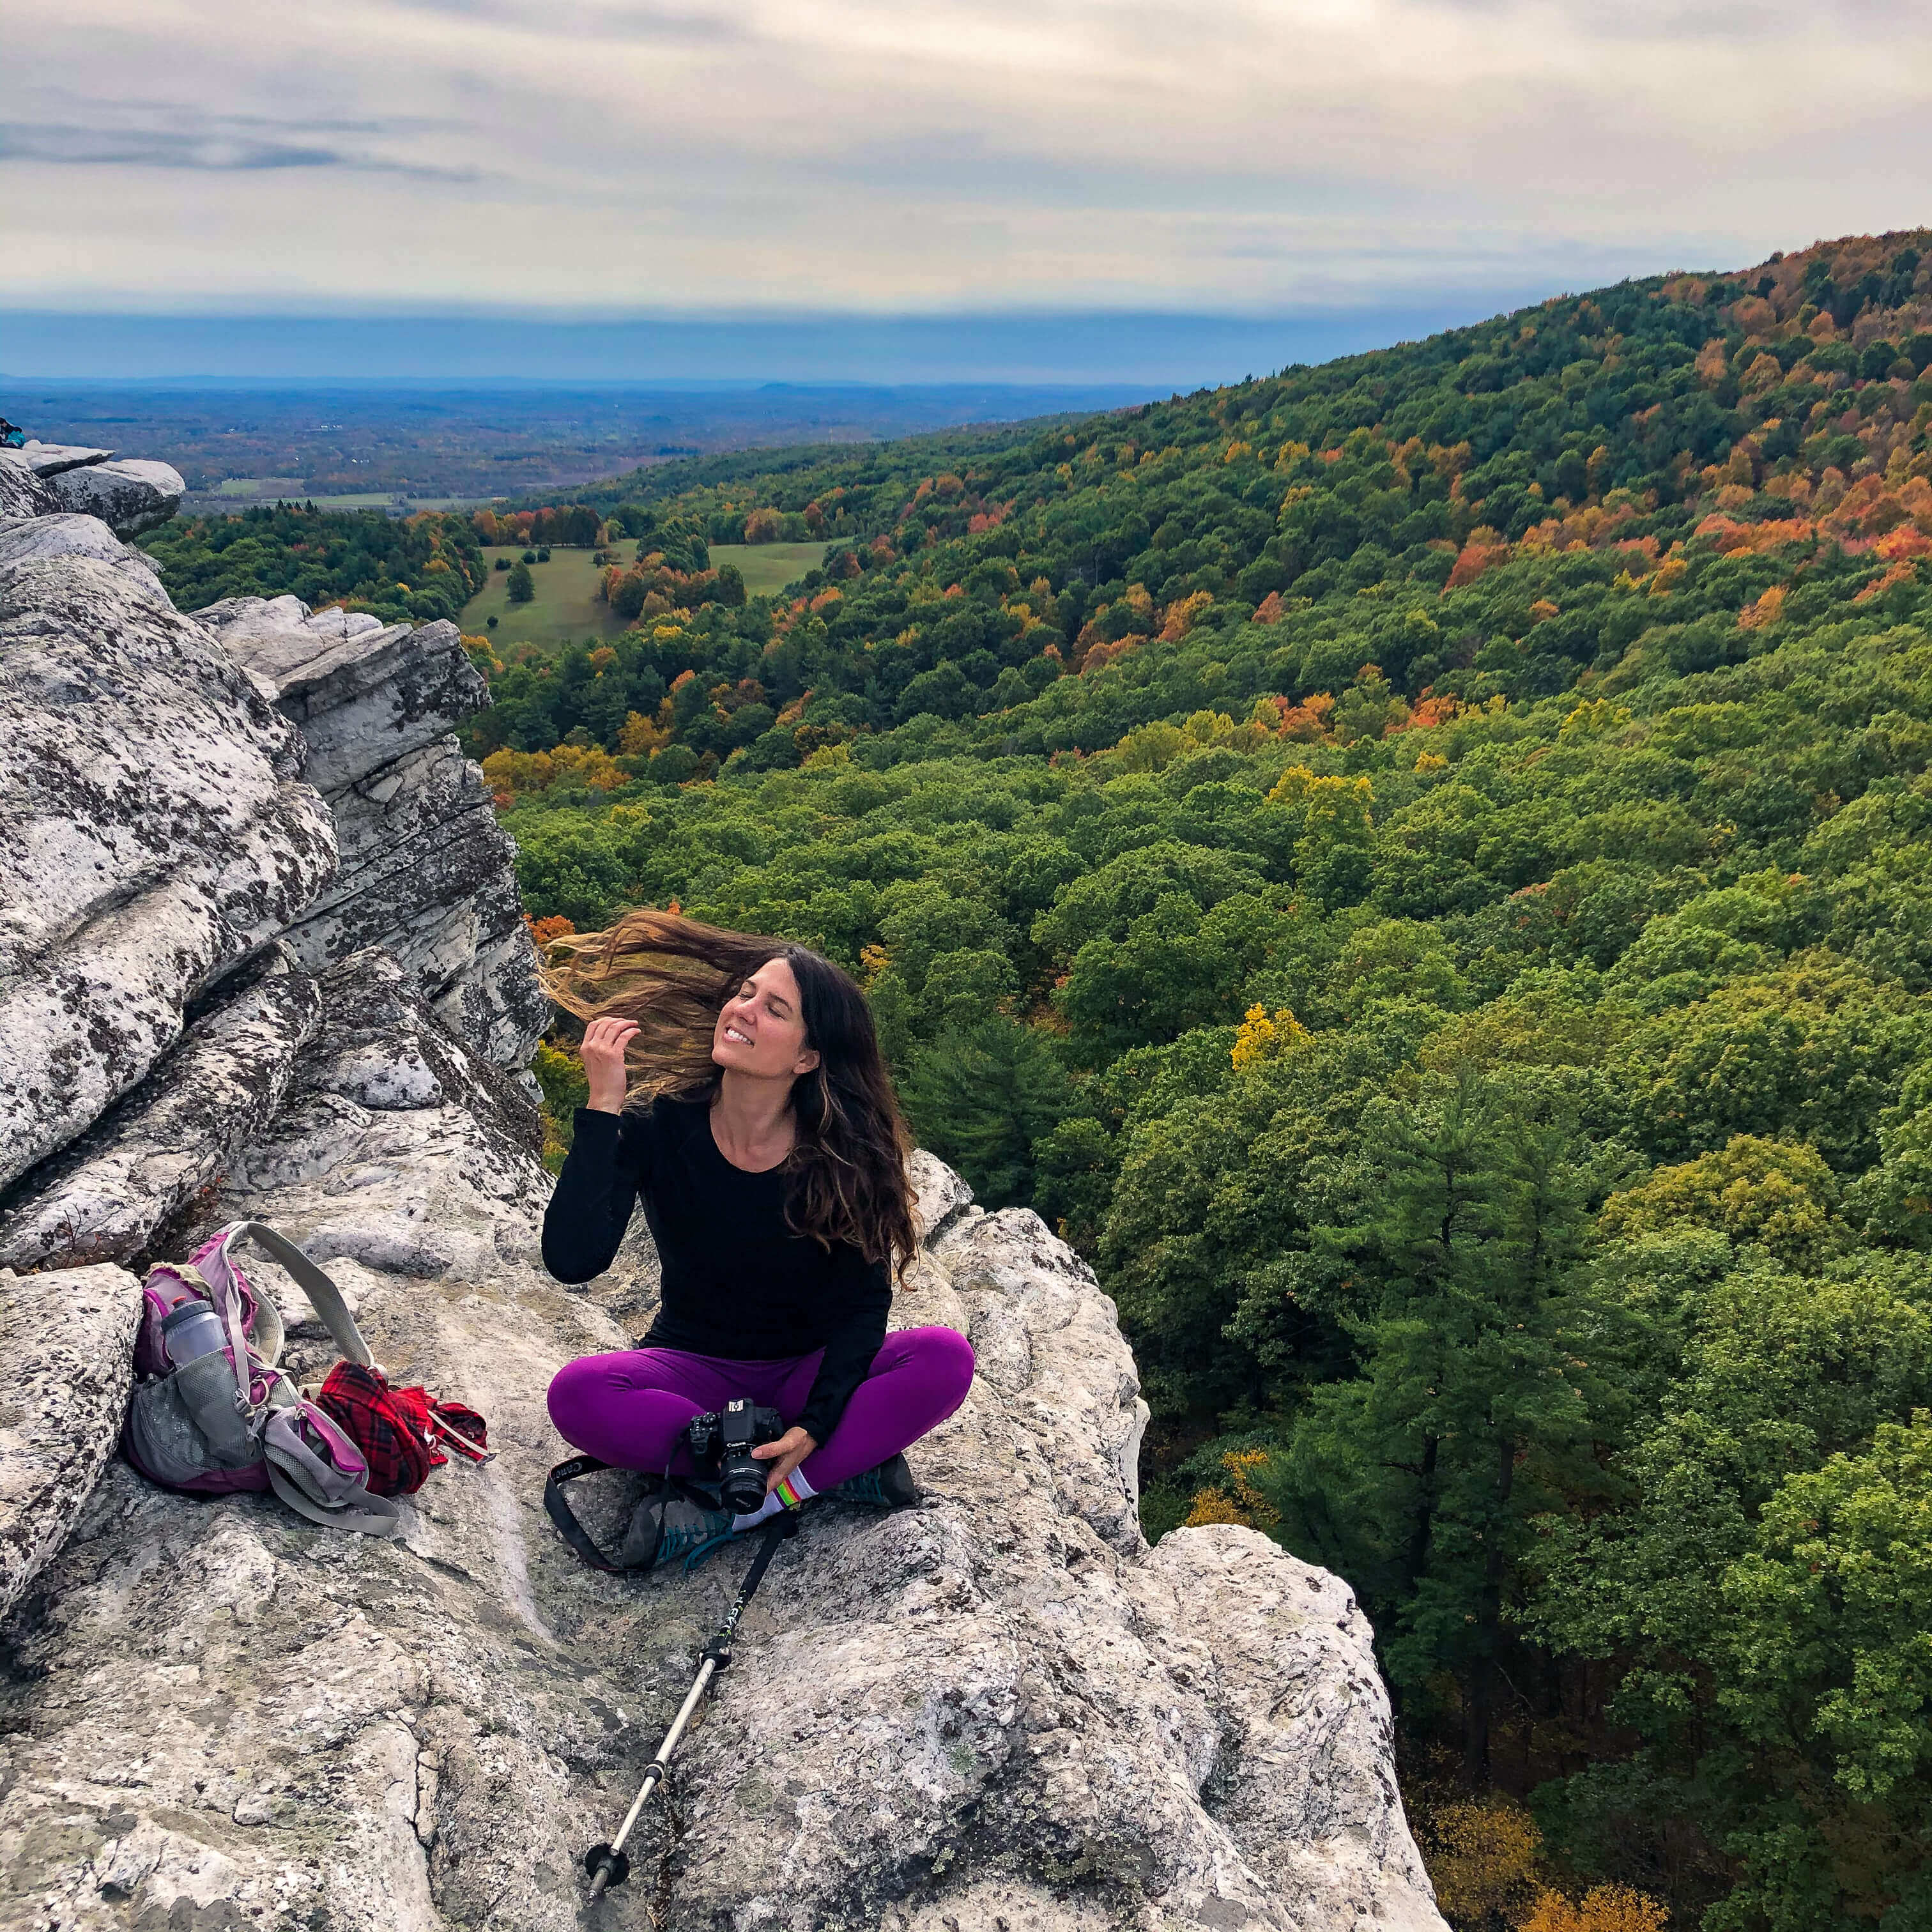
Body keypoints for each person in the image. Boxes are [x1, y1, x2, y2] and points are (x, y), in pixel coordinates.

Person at [541, 910, 976, 1569]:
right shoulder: (662, 1124)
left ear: (807, 1057)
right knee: (578, 1394)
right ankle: (838, 1471)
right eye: (745, 993)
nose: (743, 1010)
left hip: (806, 1373)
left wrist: (815, 1424)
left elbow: (863, 1309)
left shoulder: (846, 1156)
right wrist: (602, 1107)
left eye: (774, 1009)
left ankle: (749, 1501)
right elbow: (573, 1260)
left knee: (944, 1357)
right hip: (694, 1375)